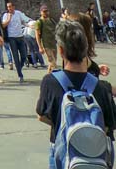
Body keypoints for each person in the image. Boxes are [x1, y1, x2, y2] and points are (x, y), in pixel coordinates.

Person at [36, 19, 116, 169]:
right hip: (97, 157)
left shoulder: (50, 82)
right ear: (85, 49)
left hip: (64, 154)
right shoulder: (101, 87)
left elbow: (41, 115)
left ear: (60, 50)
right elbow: (110, 124)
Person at [2, 1, 30, 82]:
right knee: (15, 56)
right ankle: (20, 75)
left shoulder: (18, 13)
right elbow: (3, 25)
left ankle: (19, 67)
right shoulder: (6, 15)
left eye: (10, 6)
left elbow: (23, 21)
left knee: (24, 55)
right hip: (12, 38)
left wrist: (28, 25)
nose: (9, 8)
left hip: (20, 37)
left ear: (13, 7)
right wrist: (9, 19)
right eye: (8, 7)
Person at [35, 5, 58, 73]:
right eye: (44, 11)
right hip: (46, 44)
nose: (46, 13)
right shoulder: (39, 22)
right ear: (41, 12)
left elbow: (56, 30)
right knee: (52, 62)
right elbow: (37, 35)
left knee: (53, 62)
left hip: (53, 44)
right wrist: (40, 47)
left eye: (47, 11)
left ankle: (48, 75)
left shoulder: (51, 20)